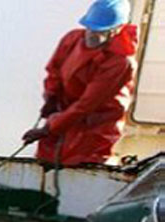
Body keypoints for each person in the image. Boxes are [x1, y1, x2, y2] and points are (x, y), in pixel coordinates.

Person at [23, 0, 138, 168]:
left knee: (81, 167)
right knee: (46, 161)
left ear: (117, 29)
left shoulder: (120, 62)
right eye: (90, 28)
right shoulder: (72, 39)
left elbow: (87, 104)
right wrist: (51, 97)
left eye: (101, 31)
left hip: (94, 126)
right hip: (64, 115)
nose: (92, 35)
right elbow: (54, 70)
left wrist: (48, 128)